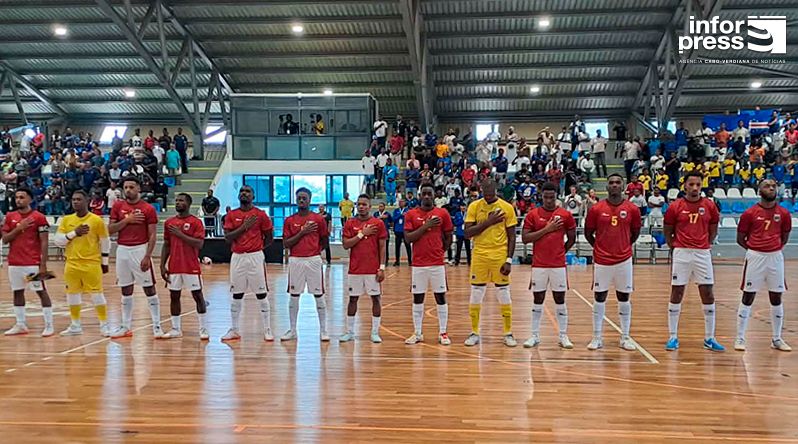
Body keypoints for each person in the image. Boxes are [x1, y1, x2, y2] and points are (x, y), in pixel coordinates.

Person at [663, 171, 724, 352]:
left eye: (698, 184)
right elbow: (668, 230)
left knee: (707, 293)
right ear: (685, 186)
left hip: (702, 252)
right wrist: (675, 246)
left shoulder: (709, 206)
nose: (695, 188)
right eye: (691, 184)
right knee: (677, 292)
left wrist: (705, 243)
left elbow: (713, 230)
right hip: (682, 252)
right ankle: (673, 336)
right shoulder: (676, 206)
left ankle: (709, 337)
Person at [584, 175, 641, 351]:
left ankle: (625, 337)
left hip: (623, 260)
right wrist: (599, 247)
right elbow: (588, 232)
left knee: (624, 297)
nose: (614, 185)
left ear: (623, 186)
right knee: (599, 297)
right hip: (602, 260)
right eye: (611, 183)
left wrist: (623, 246)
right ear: (607, 187)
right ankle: (597, 337)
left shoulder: (632, 209)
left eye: (618, 182)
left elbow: (635, 233)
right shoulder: (596, 209)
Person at [734, 179, 792, 352]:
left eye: (774, 186)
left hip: (775, 257)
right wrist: (756, 248)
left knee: (776, 297)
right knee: (748, 296)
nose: (771, 188)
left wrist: (772, 248)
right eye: (767, 186)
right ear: (759, 190)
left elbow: (785, 237)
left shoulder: (784, 213)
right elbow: (740, 238)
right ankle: (740, 337)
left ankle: (776, 338)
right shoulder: (749, 213)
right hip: (755, 257)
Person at [522, 182, 577, 349]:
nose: (548, 200)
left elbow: (572, 238)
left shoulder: (565, 215)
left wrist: (561, 251)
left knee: (559, 298)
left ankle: (563, 335)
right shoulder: (533, 215)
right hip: (539, 264)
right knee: (538, 299)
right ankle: (534, 335)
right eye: (545, 197)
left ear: (556, 197)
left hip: (558, 264)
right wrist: (547, 229)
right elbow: (525, 238)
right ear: (541, 197)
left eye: (551, 197)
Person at [463, 180, 518, 347]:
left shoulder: (507, 207)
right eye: (484, 190)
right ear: (481, 189)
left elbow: (512, 236)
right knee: (476, 292)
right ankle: (474, 332)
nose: (487, 194)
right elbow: (467, 233)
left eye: (490, 190)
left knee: (503, 292)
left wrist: (509, 259)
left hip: (499, 254)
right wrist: (488, 222)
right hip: (479, 253)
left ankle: (508, 333)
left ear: (495, 189)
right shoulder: (474, 206)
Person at [106, 177, 161, 339]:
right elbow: (110, 230)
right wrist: (127, 220)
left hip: (140, 249)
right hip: (122, 249)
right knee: (125, 289)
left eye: (131, 187)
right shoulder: (118, 206)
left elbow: (152, 235)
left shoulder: (148, 208)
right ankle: (126, 326)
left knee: (149, 288)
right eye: (125, 187)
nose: (128, 190)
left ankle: (157, 326)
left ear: (139, 189)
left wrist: (147, 256)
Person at [54, 189, 112, 334]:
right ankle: (75, 325)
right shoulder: (66, 220)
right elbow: (58, 241)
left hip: (91, 263)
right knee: (72, 294)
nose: (75, 202)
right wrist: (74, 233)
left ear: (87, 201)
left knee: (97, 294)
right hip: (71, 263)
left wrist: (104, 262)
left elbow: (105, 241)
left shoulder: (96, 220)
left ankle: (104, 325)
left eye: (79, 199)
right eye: (73, 199)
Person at [221, 185, 274, 341]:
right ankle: (234, 329)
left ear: (253, 196)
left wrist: (257, 249)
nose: (244, 193)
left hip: (255, 257)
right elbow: (228, 238)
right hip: (237, 257)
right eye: (242, 191)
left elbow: (269, 237)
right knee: (237, 293)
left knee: (261, 293)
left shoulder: (261, 215)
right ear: (238, 196)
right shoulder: (232, 215)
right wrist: (244, 227)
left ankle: (267, 329)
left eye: (248, 191)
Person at [403, 185, 454, 345]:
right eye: (423, 194)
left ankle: (443, 332)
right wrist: (426, 226)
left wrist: (440, 251)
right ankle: (418, 333)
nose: (426, 196)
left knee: (440, 297)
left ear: (434, 195)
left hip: (437, 263)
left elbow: (448, 236)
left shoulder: (442, 213)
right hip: (418, 264)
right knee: (418, 298)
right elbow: (408, 238)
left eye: (429, 194)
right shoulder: (411, 214)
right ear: (419, 195)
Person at [2, 189, 53, 337]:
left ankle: (49, 324)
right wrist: (19, 228)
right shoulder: (10, 216)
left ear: (30, 199)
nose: (18, 200)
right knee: (17, 292)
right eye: (17, 197)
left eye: (22, 197)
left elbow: (44, 241)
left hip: (32, 263)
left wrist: (43, 263)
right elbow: (5, 239)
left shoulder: (39, 217)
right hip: (14, 262)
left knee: (41, 291)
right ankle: (20, 324)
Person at [281, 187, 330, 341]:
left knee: (319, 295)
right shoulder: (289, 220)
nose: (301, 200)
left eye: (304, 198)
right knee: (294, 295)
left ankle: (323, 330)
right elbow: (286, 244)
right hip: (296, 260)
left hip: (313, 260)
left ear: (309, 199)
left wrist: (314, 251)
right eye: (299, 198)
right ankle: (293, 330)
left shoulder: (318, 219)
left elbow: (324, 240)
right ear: (296, 200)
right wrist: (302, 232)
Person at [160, 193, 208, 340]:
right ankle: (176, 328)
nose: (178, 203)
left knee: (198, 296)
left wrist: (180, 235)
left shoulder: (196, 222)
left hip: (191, 266)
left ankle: (203, 328)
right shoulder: (169, 222)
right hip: (174, 266)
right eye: (176, 200)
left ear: (188, 203)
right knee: (174, 296)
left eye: (181, 200)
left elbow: (199, 244)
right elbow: (167, 244)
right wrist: (162, 265)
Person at [340, 194, 387, 343]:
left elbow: (382, 247)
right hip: (355, 269)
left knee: (376, 299)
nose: (361, 206)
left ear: (369, 206)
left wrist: (382, 267)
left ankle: (374, 332)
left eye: (364, 204)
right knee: (353, 299)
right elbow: (346, 244)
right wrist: (361, 234)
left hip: (372, 269)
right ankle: (350, 332)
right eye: (359, 204)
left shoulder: (378, 223)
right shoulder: (350, 223)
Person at [392, 198, 412, 266]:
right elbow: (393, 219)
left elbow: (410, 219)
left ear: (405, 203)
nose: (400, 203)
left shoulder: (408, 210)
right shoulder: (396, 210)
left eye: (402, 202)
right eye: (400, 202)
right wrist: (401, 215)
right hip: (398, 231)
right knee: (397, 247)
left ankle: (410, 261)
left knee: (408, 246)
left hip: (405, 231)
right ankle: (397, 261)